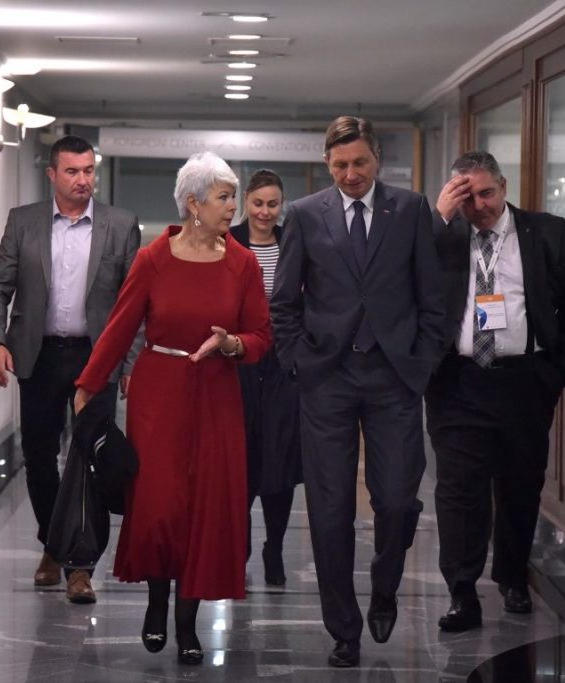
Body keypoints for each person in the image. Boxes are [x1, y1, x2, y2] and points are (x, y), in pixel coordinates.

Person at [73, 151, 271, 665]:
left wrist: (232, 345)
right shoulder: (153, 259)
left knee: (205, 507)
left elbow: (261, 335)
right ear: (193, 204)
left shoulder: (243, 263)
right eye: (224, 197)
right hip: (159, 393)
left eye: (233, 197)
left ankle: (187, 623)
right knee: (161, 505)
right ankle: (157, 601)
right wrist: (89, 384)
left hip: (218, 394)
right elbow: (120, 328)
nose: (233, 207)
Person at [271, 115, 445, 667]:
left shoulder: (410, 209)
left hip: (394, 377)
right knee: (329, 510)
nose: (351, 174)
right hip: (328, 378)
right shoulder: (304, 214)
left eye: (360, 162)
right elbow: (284, 301)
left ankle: (385, 587)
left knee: (396, 499)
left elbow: (433, 296)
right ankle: (343, 628)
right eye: (341, 165)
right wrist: (300, 363)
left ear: (377, 160)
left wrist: (422, 362)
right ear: (327, 164)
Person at [0, 135, 141, 604]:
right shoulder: (24, 222)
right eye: (72, 171)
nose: (82, 180)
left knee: (90, 458)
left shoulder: (120, 225)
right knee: (39, 456)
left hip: (97, 357)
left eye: (89, 170)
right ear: (52, 174)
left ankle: (80, 566)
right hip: (39, 356)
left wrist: (130, 363)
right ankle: (54, 544)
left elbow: (135, 303)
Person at [426, 151, 565, 632]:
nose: (479, 206)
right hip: (457, 381)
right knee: (459, 490)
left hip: (524, 381)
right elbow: (400, 273)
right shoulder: (441, 237)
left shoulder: (547, 233)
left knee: (520, 484)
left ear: (504, 187)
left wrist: (553, 372)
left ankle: (512, 577)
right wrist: (439, 219)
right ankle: (462, 593)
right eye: (467, 198)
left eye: (487, 193)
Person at [230, 169, 301, 586]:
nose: (265, 212)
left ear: (282, 205)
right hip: (238, 360)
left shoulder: (293, 240)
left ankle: (274, 547)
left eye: (273, 204)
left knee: (280, 462)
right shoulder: (229, 241)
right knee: (240, 461)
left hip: (282, 364)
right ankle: (238, 551)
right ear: (246, 203)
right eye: (258, 203)